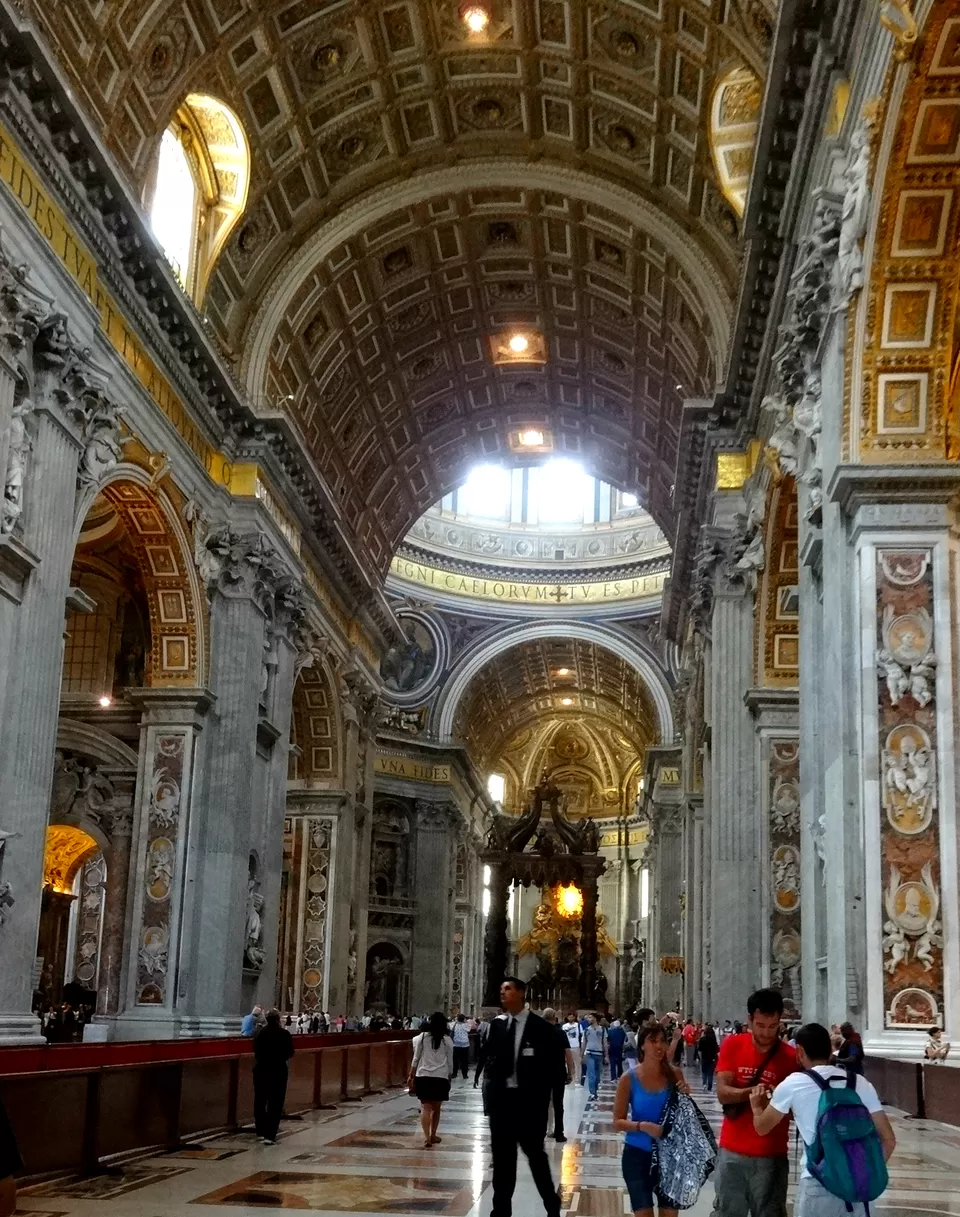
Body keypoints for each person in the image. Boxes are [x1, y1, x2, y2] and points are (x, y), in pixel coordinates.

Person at [749, 1022, 895, 1217]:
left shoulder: (794, 1083)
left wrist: (757, 1106)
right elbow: (889, 1140)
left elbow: (762, 1127)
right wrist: (861, 1171)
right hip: (860, 1190)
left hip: (819, 1183)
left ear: (799, 1050)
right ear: (829, 1050)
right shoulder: (860, 1083)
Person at [475, 976, 563, 1217]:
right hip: (503, 1105)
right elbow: (491, 1060)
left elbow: (552, 1069)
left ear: (522, 993)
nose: (503, 993)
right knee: (503, 1164)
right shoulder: (498, 1025)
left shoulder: (541, 1028)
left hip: (529, 1106)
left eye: (508, 989)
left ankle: (551, 1205)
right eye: (501, 988)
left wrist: (544, 1103)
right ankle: (500, 1211)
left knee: (536, 1159)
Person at [711, 988, 797, 1217]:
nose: (767, 1033)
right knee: (727, 1213)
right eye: (760, 1025)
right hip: (733, 1151)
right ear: (750, 1019)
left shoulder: (790, 1057)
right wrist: (753, 1092)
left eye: (773, 1026)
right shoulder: (733, 1045)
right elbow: (723, 1093)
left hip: (772, 1154)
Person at [613, 1023, 679, 1217]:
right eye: (652, 1041)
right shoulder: (629, 1078)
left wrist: (685, 1096)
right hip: (637, 1156)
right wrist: (642, 1126)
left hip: (669, 1156)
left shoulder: (675, 1076)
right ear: (642, 1045)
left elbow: (684, 1117)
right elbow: (617, 1121)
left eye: (662, 1041)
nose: (658, 1046)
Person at [409, 1011, 454, 1148]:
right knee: (437, 1108)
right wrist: (450, 1076)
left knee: (425, 1107)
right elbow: (450, 1061)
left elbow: (416, 1058)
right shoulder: (447, 1041)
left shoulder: (422, 1038)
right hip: (440, 1076)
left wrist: (411, 1074)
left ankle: (427, 1137)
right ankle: (433, 1134)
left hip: (423, 1076)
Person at [253, 1009, 294, 1144]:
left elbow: (255, 1050)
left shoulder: (260, 1033)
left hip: (261, 1069)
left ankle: (260, 1131)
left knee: (260, 1101)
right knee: (275, 1103)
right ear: (278, 1019)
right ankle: (270, 1135)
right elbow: (290, 1052)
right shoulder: (284, 1034)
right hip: (278, 1070)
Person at [542, 1008, 573, 1142]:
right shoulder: (560, 1033)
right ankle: (559, 1132)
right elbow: (568, 1053)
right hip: (558, 1072)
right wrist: (570, 1071)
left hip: (541, 1073)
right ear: (554, 1017)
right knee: (558, 1103)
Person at [583, 1013, 607, 1099]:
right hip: (589, 1053)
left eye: (590, 1017)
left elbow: (605, 1043)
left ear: (595, 1019)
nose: (588, 1019)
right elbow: (584, 1042)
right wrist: (582, 1055)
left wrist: (606, 1056)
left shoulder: (602, 1030)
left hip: (599, 1054)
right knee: (591, 1074)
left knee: (597, 1076)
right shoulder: (586, 1030)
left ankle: (595, 1090)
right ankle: (592, 1093)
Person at [561, 1013, 583, 1084]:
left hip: (575, 1045)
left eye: (572, 1017)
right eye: (569, 1017)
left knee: (577, 1064)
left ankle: (577, 1079)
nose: (570, 1018)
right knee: (567, 1063)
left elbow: (581, 1036)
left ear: (574, 1017)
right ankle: (568, 1077)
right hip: (566, 1046)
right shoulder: (564, 1026)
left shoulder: (578, 1025)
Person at [699, 1022, 719, 1092]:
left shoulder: (702, 1040)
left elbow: (700, 1049)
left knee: (704, 1072)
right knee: (710, 1073)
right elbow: (716, 1049)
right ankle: (709, 1086)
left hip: (704, 1057)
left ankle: (704, 1084)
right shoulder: (714, 1041)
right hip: (712, 1058)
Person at [450, 1013, 471, 1080]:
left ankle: (454, 1073)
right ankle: (464, 1074)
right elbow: (469, 1030)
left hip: (456, 1044)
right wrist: (465, 1021)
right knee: (464, 1060)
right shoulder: (466, 1025)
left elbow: (449, 1027)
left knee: (455, 1060)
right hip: (465, 1044)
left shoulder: (454, 1024)